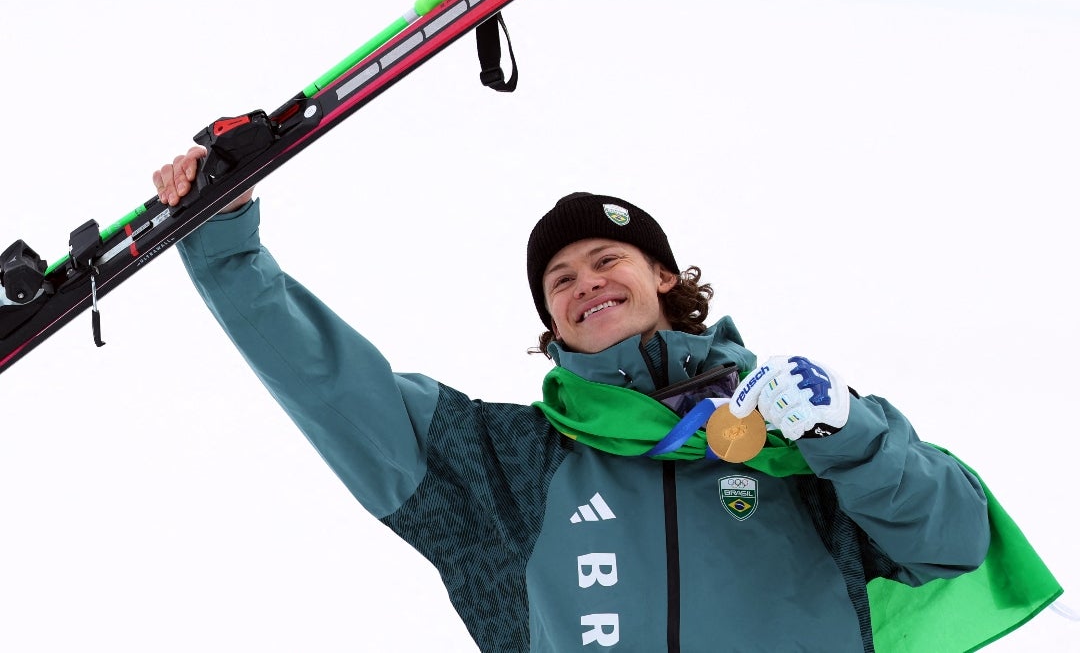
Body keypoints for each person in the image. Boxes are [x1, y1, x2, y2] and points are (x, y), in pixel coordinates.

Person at [154, 147, 994, 652]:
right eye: (561, 281)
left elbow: (954, 543)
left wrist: (849, 432)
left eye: (607, 259)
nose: (586, 283)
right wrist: (226, 245)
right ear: (550, 326)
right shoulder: (507, 466)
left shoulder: (799, 426)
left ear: (663, 276)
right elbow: (330, 382)